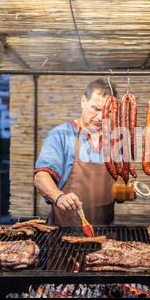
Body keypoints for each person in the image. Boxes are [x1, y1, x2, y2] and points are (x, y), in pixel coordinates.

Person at [34, 79, 117, 226]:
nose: (100, 118)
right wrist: (58, 197)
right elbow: (41, 177)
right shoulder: (60, 134)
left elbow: (115, 187)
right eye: (96, 109)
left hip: (105, 231)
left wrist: (124, 192)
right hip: (65, 232)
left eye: (107, 112)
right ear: (83, 101)